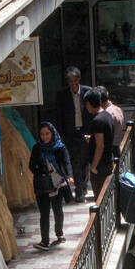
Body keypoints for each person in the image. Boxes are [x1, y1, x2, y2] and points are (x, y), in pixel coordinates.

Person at [29, 122, 73, 251]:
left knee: (57, 210)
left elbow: (66, 162)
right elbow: (31, 165)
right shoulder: (37, 148)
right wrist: (41, 173)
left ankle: (59, 233)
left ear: (52, 133)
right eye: (42, 134)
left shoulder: (60, 147)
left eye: (47, 134)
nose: (45, 137)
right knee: (44, 213)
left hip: (57, 182)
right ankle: (44, 241)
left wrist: (68, 175)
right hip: (42, 184)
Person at [54, 67, 92, 201]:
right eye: (70, 82)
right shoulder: (62, 95)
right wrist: (60, 135)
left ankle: (83, 184)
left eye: (75, 81)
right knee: (75, 161)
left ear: (79, 80)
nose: (73, 85)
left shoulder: (88, 92)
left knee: (85, 161)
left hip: (84, 131)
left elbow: (92, 113)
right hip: (70, 133)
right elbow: (59, 116)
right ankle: (79, 190)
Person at [84, 90, 115, 200]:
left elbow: (100, 146)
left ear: (88, 104)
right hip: (107, 162)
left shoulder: (98, 120)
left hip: (100, 167)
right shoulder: (107, 115)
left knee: (100, 199)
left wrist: (93, 167)